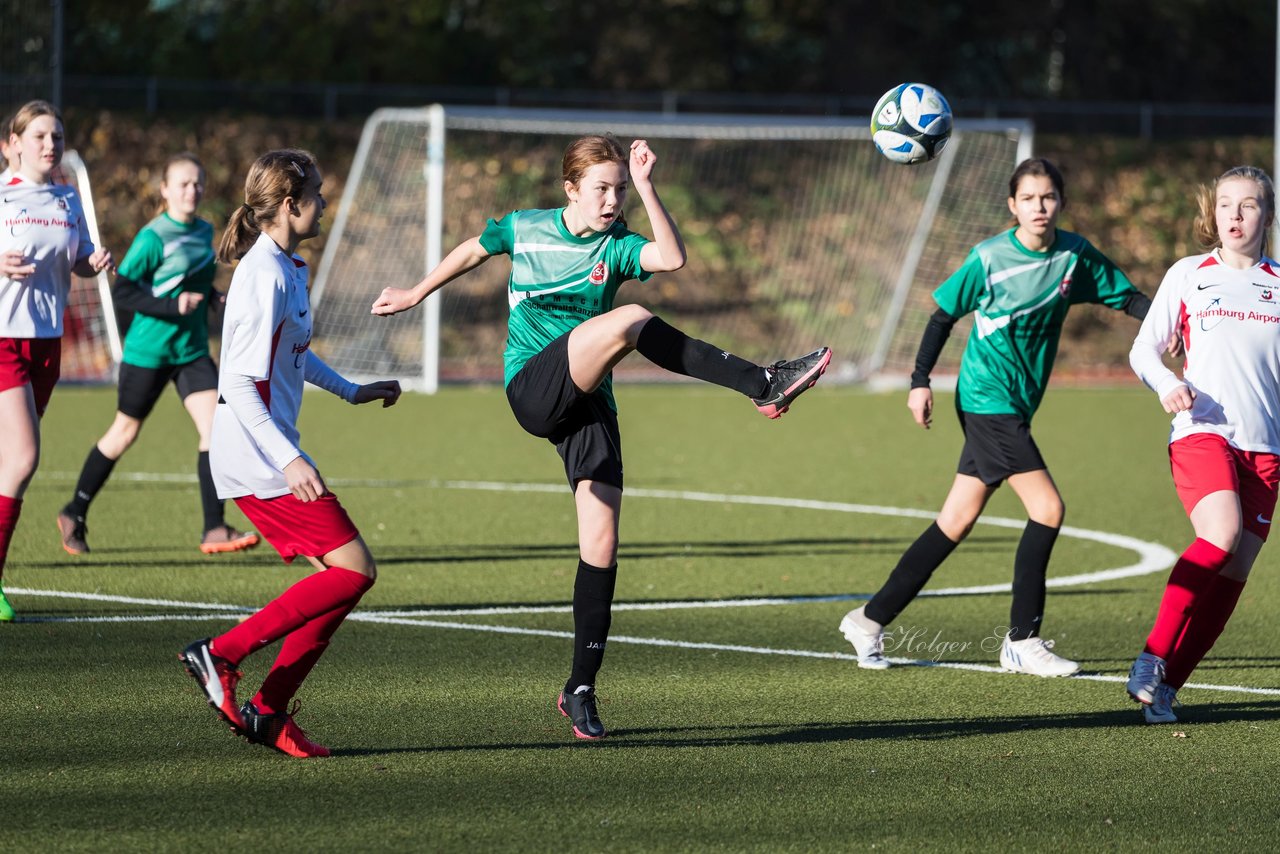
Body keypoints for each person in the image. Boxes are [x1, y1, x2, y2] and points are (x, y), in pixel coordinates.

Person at [371, 134, 830, 739]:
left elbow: (672, 259)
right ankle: (761, 381)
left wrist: (645, 183)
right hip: (532, 387)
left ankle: (580, 687)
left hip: (587, 401)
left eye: (618, 190)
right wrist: (413, 293)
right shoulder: (526, 228)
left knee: (603, 540)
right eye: (600, 189)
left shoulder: (617, 247)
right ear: (570, 190)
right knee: (633, 319)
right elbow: (471, 251)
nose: (611, 201)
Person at [838, 157, 1155, 677]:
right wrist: (920, 381)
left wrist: (1182, 323)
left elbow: (1131, 299)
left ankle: (869, 620)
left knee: (955, 521)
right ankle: (1022, 640)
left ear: (1061, 203)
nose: (1039, 206)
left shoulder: (1075, 256)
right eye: (1028, 198)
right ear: (1012, 206)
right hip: (986, 400)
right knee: (1048, 509)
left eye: (1048, 197)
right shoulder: (988, 258)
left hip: (1015, 405)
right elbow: (943, 315)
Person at [179, 149, 401, 757]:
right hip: (255, 455)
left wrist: (353, 391)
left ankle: (268, 712)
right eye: (319, 193)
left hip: (266, 450)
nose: (325, 202)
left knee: (342, 580)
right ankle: (220, 655)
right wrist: (288, 460)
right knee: (355, 569)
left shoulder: (288, 267)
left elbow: (296, 354)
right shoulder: (263, 275)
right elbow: (238, 388)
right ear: (288, 203)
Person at [1126, 166, 1280, 724]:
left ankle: (1167, 685)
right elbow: (1144, 350)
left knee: (1235, 572)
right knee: (1220, 535)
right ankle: (1151, 658)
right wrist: (1168, 383)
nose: (1236, 216)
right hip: (1202, 430)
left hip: (1265, 450)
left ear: (1268, 214)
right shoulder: (1190, 274)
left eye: (1249, 205)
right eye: (1225, 205)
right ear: (1211, 214)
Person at [56, 153, 260, 556]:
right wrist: (174, 305)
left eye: (198, 183)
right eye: (183, 183)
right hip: (148, 353)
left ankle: (214, 528)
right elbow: (125, 293)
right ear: (164, 190)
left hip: (191, 351)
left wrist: (213, 300)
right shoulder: (152, 237)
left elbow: (194, 287)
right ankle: (74, 511)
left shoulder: (204, 231)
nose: (192, 190)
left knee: (216, 430)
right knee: (123, 434)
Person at [0, 100, 113, 622]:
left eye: (58, 137)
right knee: (22, 460)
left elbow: (81, 261)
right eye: (40, 136)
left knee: (8, 465)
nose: (51, 145)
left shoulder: (68, 198)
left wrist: (92, 262)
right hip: (3, 340)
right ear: (13, 143)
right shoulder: (1, 195)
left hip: (46, 346)